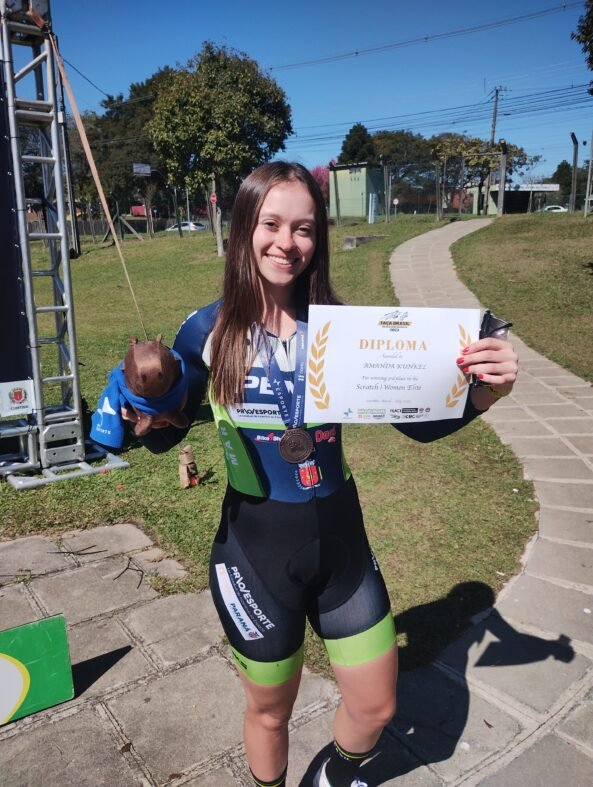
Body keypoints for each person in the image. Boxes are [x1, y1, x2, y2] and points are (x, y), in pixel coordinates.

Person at [121, 162, 518, 787]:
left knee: (375, 705)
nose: (287, 242)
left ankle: (334, 776)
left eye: (304, 228)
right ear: (243, 227)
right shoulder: (205, 330)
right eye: (270, 223)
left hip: (341, 540)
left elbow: (415, 424)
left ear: (318, 239)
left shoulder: (343, 325)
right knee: (270, 712)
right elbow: (167, 423)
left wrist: (482, 397)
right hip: (255, 549)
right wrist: (142, 417)